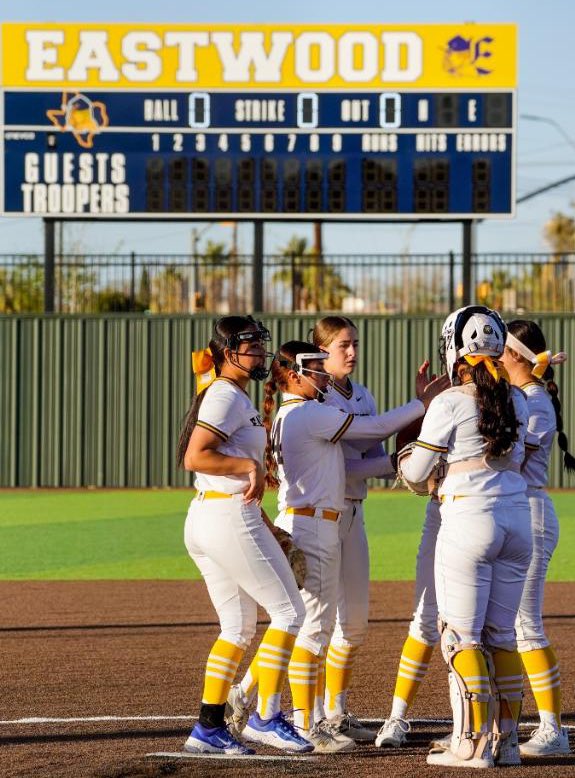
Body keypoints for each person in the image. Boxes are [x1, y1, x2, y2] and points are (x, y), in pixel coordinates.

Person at [228, 339, 445, 753]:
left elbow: (351, 464)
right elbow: (375, 429)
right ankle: (306, 724)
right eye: (314, 367)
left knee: (307, 626)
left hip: (313, 522)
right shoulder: (308, 412)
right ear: (293, 374)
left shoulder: (299, 412)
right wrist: (422, 403)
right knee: (314, 630)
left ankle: (277, 707)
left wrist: (401, 457)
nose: (324, 373)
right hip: (313, 525)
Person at [398, 305, 533, 768]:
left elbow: (417, 473)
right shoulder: (518, 399)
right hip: (518, 520)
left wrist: (405, 462)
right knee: (502, 638)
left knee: (461, 638)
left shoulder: (450, 400)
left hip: (468, 520)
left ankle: (470, 744)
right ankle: (508, 743)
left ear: (455, 349)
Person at [178, 316, 313, 755]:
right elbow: (195, 456)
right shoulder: (225, 394)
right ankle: (265, 718)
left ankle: (208, 729)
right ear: (226, 350)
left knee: (237, 628)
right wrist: (249, 467)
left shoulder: (231, 394)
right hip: (227, 518)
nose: (259, 351)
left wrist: (269, 527)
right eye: (250, 344)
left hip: (212, 517)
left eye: (260, 343)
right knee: (289, 614)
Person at [310, 316, 397, 742]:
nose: (352, 352)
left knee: (355, 625)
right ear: (321, 350)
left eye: (354, 343)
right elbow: (343, 466)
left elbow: (373, 454)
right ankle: (281, 709)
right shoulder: (315, 399)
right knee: (311, 624)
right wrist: (399, 459)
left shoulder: (364, 395)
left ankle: (335, 711)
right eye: (343, 344)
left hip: (354, 514)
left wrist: (400, 459)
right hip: (320, 515)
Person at [501, 320, 573, 756]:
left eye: (502, 349)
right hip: (515, 513)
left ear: (516, 355)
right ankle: (510, 721)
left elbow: (511, 453)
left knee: (526, 625)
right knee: (508, 626)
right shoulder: (523, 396)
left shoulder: (536, 401)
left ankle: (553, 730)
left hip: (531, 513)